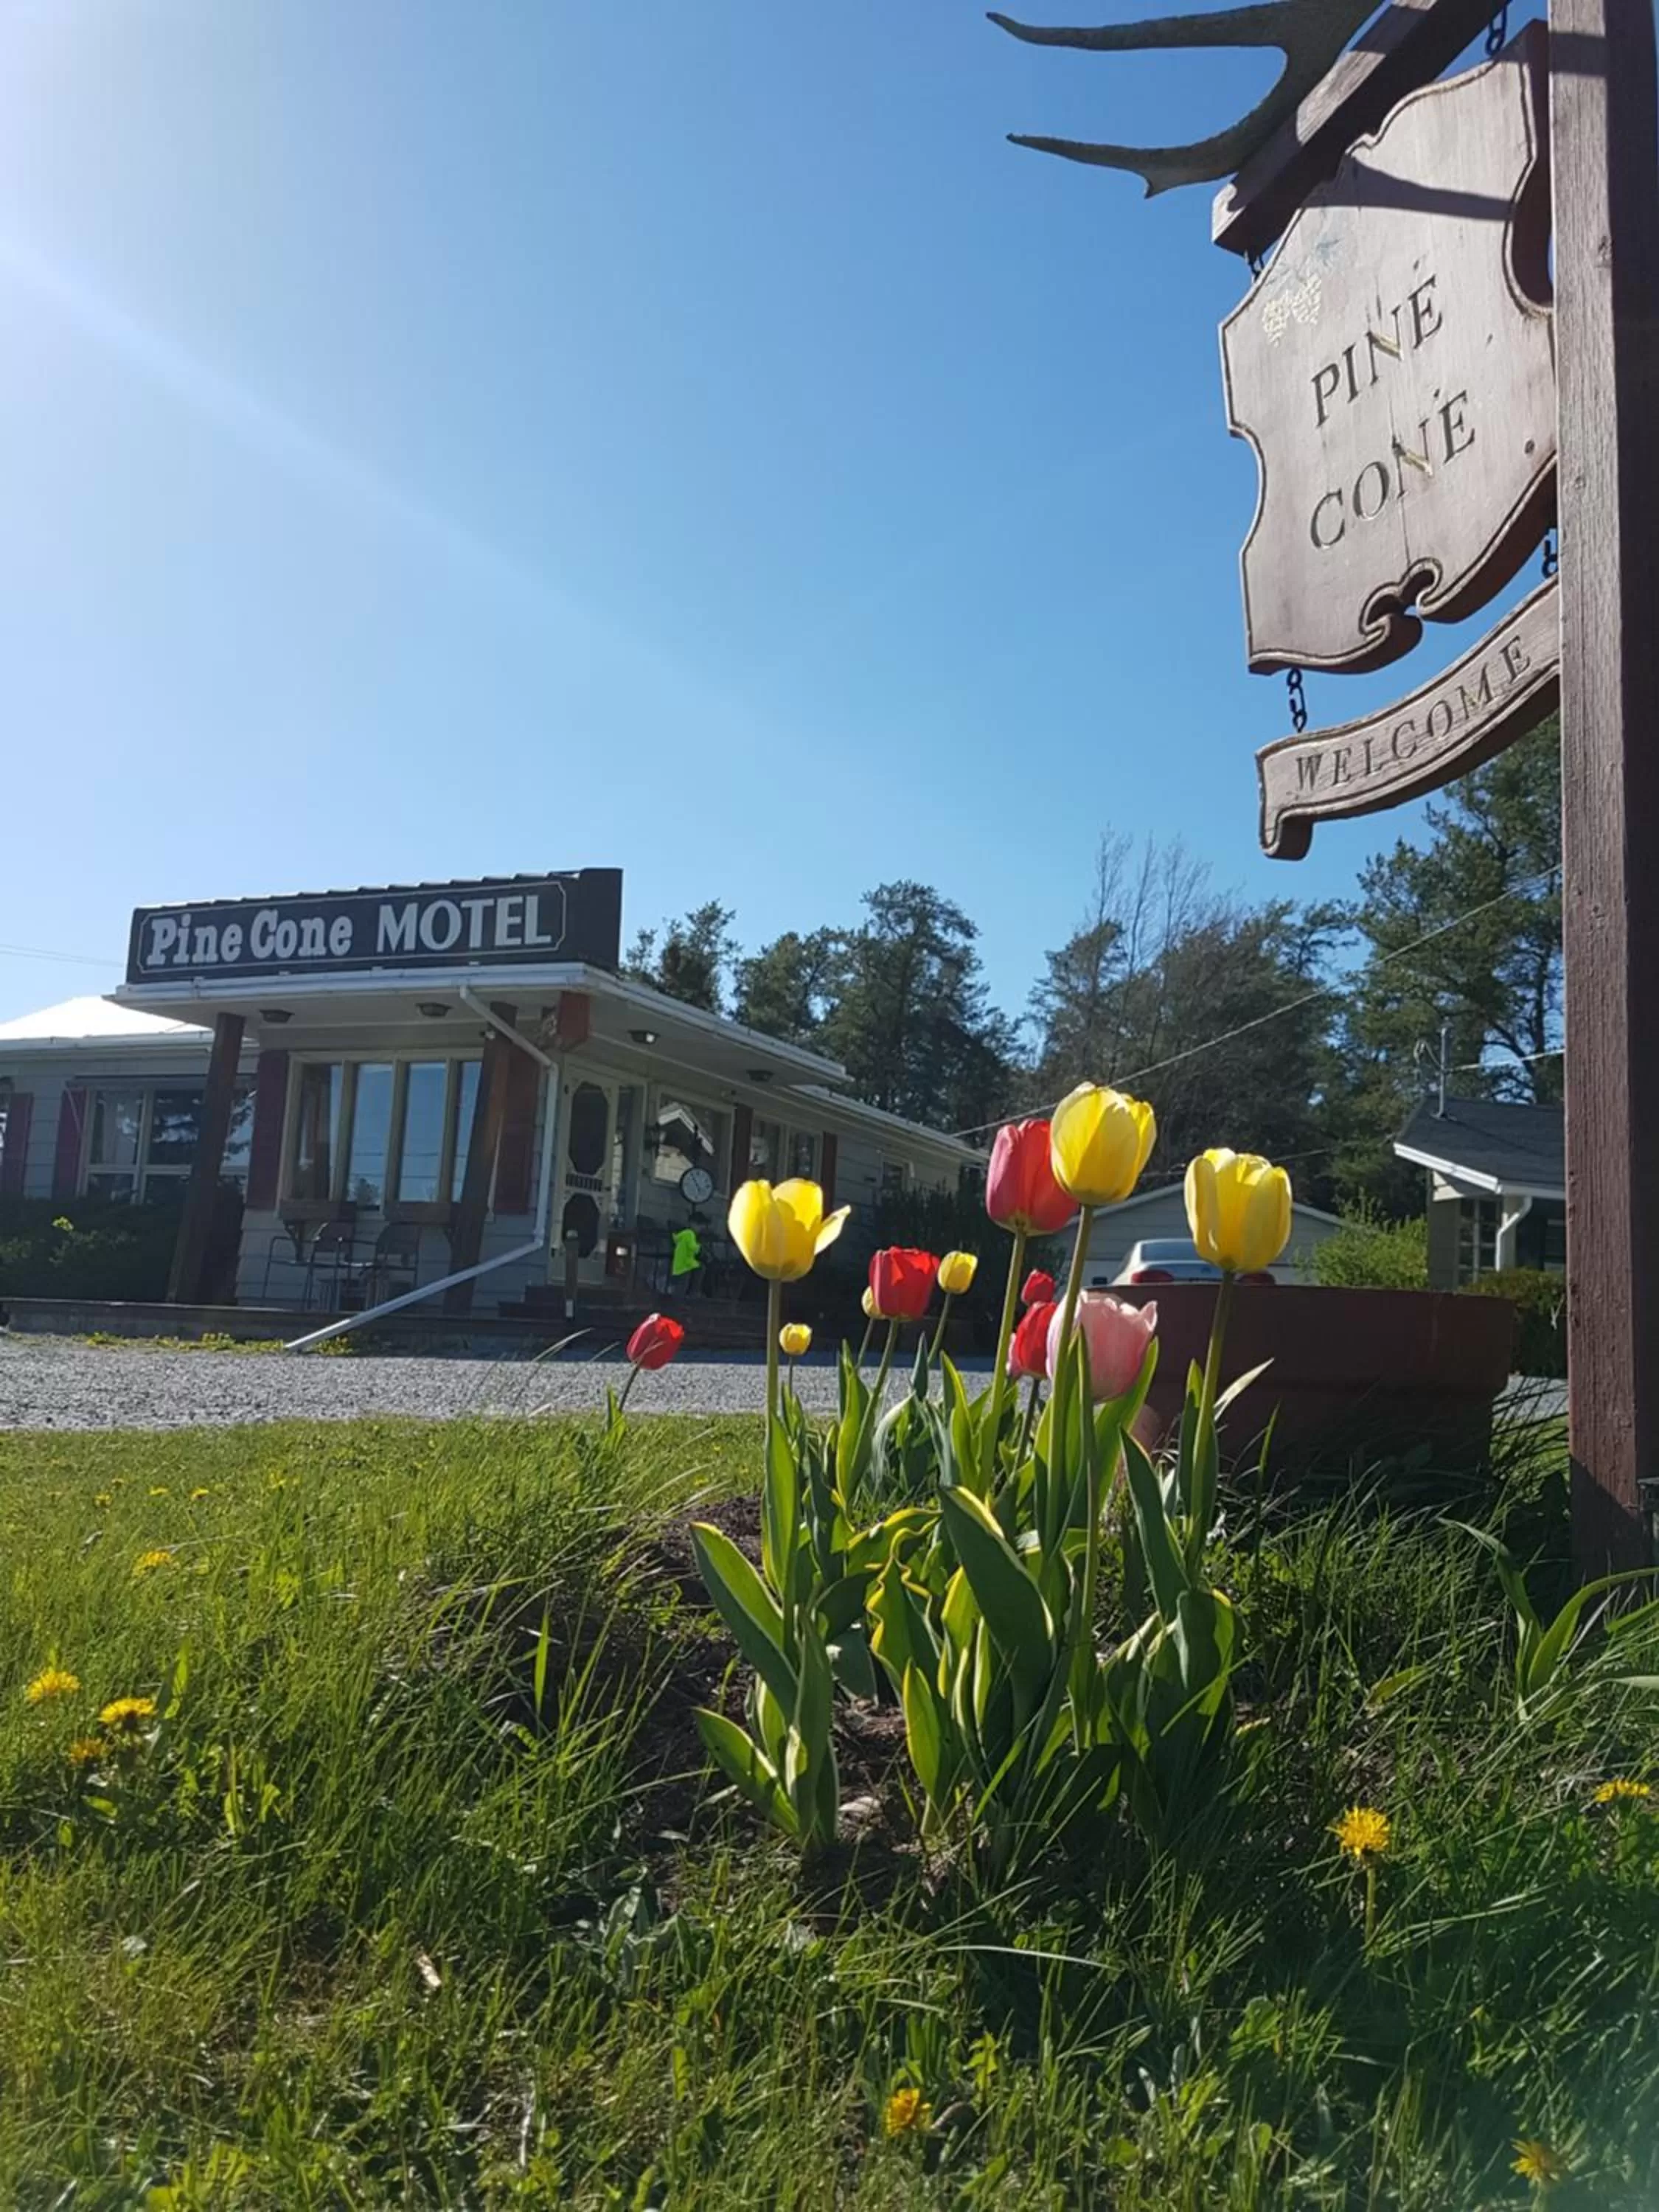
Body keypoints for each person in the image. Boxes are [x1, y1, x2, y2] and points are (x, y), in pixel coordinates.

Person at [669, 1218, 702, 1298]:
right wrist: (699, 1246)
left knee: (680, 1285)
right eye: (699, 1225)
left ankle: (679, 1300)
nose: (701, 1228)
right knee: (683, 1284)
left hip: (679, 1263)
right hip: (686, 1263)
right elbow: (692, 1247)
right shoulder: (690, 1234)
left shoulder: (683, 1234)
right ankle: (692, 1295)